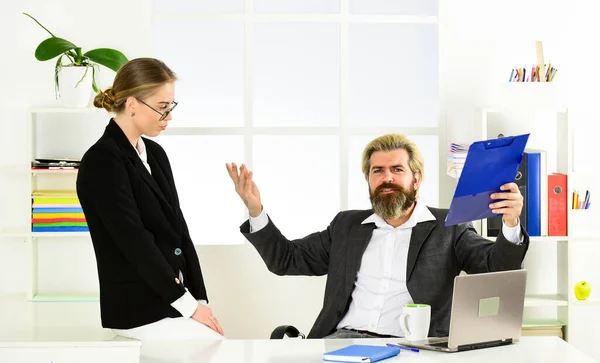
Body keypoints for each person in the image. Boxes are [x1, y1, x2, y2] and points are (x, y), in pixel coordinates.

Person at [226, 134, 528, 339]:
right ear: (368, 179)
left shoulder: (447, 226)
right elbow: (286, 260)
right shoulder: (346, 226)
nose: (387, 178)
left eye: (397, 169)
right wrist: (256, 211)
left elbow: (494, 267)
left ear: (416, 178)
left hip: (410, 349)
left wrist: (511, 221)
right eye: (377, 171)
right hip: (339, 345)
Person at [76, 58, 224, 340]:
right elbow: (134, 243)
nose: (168, 117)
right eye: (162, 108)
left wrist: (200, 300)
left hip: (174, 301)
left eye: (171, 107)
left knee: (217, 343)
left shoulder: (155, 154)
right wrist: (188, 306)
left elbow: (180, 231)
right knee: (214, 349)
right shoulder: (102, 160)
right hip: (136, 310)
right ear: (132, 105)